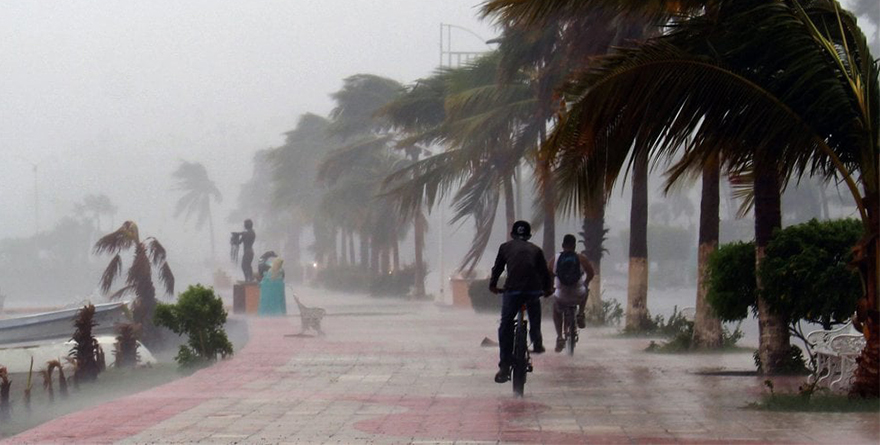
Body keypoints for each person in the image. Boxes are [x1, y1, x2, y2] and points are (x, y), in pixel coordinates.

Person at [489, 220, 553, 383]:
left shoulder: (505, 248)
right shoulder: (536, 250)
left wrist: (493, 285)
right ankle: (537, 342)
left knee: (506, 324)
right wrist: (547, 290)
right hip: (532, 290)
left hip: (513, 290)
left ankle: (504, 365)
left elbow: (497, 269)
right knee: (534, 314)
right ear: (529, 236)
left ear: (512, 235)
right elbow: (544, 273)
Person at [548, 234, 595, 352]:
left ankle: (559, 337)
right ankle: (581, 314)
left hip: (561, 296)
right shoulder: (581, 258)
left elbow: (548, 275)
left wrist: (551, 288)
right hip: (578, 295)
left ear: (563, 245)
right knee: (586, 290)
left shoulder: (555, 259)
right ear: (574, 246)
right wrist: (586, 282)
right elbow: (591, 273)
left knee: (556, 310)